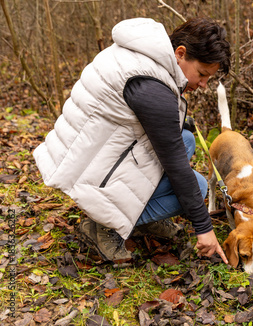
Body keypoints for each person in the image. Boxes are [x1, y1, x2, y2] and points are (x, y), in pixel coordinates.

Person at [33, 17, 230, 264]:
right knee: (198, 186)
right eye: (202, 74)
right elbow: (177, 168)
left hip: (82, 155)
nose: (202, 84)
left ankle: (139, 218)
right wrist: (204, 227)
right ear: (180, 53)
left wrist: (177, 122)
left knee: (186, 139)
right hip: (88, 173)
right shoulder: (152, 88)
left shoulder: (139, 52)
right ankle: (104, 226)